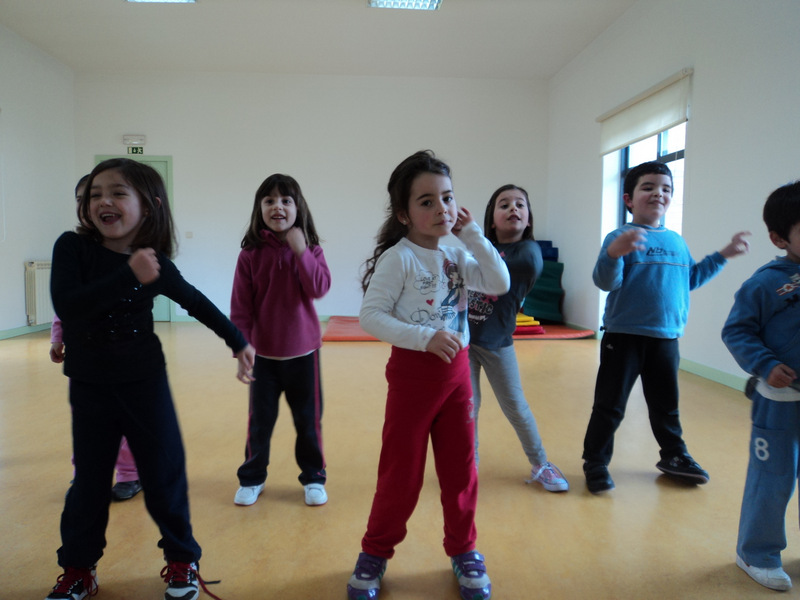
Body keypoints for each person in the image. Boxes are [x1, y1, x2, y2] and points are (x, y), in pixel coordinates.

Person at [46, 158, 255, 600]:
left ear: (150, 206)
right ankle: (78, 569)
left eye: (118, 192)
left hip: (144, 384)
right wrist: (127, 275)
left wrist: (237, 341)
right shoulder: (72, 248)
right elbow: (70, 305)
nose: (103, 200)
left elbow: (194, 301)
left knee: (164, 475)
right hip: (90, 387)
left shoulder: (153, 261)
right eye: (95, 193)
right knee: (89, 482)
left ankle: (182, 559)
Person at [346, 150, 510, 600]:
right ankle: (375, 552)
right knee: (401, 475)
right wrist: (423, 337)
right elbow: (371, 316)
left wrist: (473, 232)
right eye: (426, 201)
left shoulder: (457, 256)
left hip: (456, 379)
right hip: (413, 377)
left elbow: (499, 282)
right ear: (404, 214)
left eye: (448, 198)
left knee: (461, 470)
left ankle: (464, 549)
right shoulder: (398, 259)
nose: (441, 209)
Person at [582, 160, 750, 494]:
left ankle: (674, 455)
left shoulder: (676, 241)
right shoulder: (620, 236)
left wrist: (724, 254)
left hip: (666, 339)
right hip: (623, 337)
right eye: (648, 187)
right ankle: (595, 462)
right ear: (629, 199)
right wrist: (614, 254)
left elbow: (691, 278)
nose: (658, 193)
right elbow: (605, 282)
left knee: (666, 407)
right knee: (610, 405)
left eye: (666, 189)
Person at [230, 173, 331, 507]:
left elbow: (319, 287)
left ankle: (314, 477)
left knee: (308, 422)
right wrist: (241, 346)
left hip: (304, 355)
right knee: (259, 423)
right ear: (259, 208)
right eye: (270, 200)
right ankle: (252, 477)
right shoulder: (250, 255)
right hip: (265, 358)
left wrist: (301, 251)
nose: (278, 207)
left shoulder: (311, 249)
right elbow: (241, 307)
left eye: (286, 200)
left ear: (297, 207)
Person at [721, 180, 800, 592]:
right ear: (779, 237)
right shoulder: (764, 283)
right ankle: (756, 552)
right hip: (780, 401)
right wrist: (766, 365)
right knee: (773, 480)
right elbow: (737, 332)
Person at [467, 184, 568, 492]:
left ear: (528, 218)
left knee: (516, 407)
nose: (513, 208)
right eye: (504, 204)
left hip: (498, 344)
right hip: (465, 343)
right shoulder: (480, 248)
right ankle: (467, 466)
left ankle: (541, 463)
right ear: (492, 217)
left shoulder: (528, 253)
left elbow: (502, 268)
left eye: (520, 204)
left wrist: (471, 245)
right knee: (467, 407)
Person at [50, 174, 142, 503]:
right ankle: (86, 474)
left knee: (124, 419)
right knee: (86, 422)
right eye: (82, 200)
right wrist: (57, 336)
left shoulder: (123, 250)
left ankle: (130, 474)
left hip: (123, 359)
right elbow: (65, 302)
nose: (90, 205)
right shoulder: (73, 251)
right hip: (85, 362)